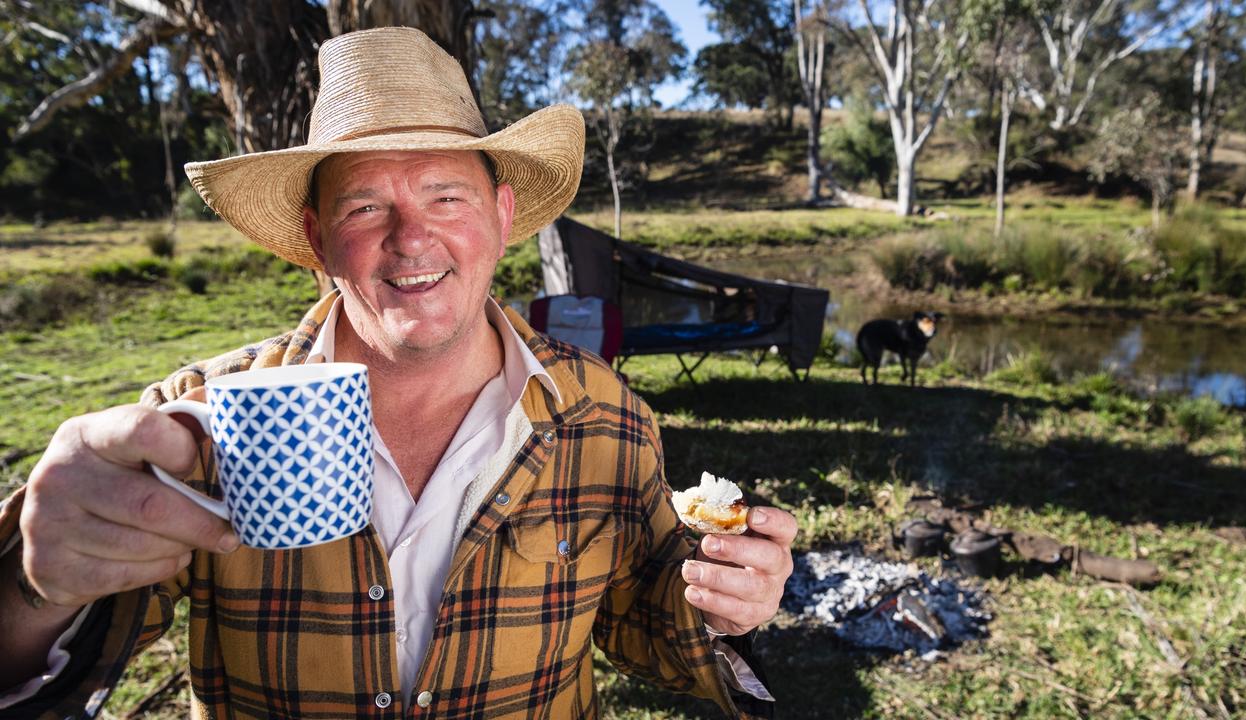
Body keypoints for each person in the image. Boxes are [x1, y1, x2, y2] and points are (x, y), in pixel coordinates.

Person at [0, 27, 795, 719]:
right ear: (317, 238)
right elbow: (42, 668)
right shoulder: (196, 423)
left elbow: (644, 624)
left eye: (447, 196)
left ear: (503, 215)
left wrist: (725, 601)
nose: (413, 240)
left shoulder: (607, 416)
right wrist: (31, 591)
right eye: (365, 207)